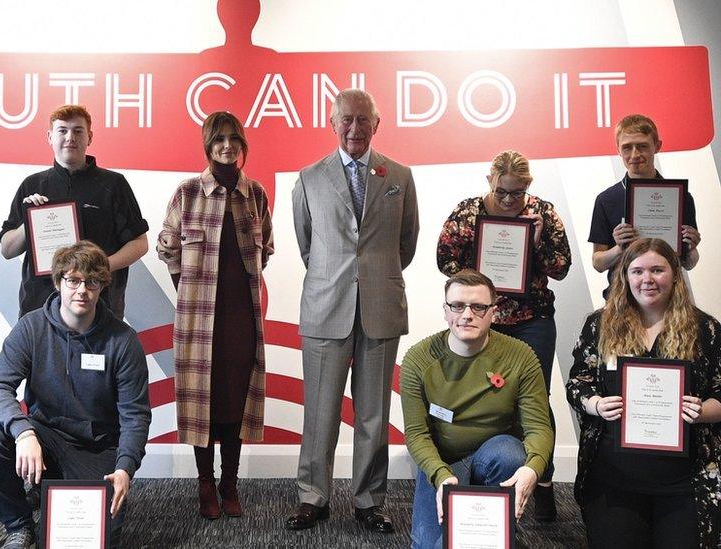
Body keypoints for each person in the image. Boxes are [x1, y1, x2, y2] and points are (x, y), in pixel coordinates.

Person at [287, 88, 419, 533]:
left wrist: (372, 276)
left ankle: (369, 501)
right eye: (346, 119)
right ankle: (313, 496)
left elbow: (407, 242)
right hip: (326, 309)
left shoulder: (399, 175)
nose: (355, 128)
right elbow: (308, 246)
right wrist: (339, 279)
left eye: (364, 120)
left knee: (374, 414)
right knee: (320, 411)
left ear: (377, 124)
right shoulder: (308, 178)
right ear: (332, 122)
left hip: (381, 308)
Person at [0, 241, 151, 549]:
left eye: (91, 281)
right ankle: (18, 525)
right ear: (58, 283)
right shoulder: (31, 328)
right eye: (73, 280)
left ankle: (65, 498)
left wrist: (124, 469)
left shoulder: (123, 341)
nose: (82, 290)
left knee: (100, 539)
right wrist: (23, 432)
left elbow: (135, 416)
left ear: (102, 286)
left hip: (97, 448)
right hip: (43, 438)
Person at [436, 149, 570, 519]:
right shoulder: (468, 212)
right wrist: (484, 264)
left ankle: (541, 481)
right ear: (489, 182)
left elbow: (561, 268)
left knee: (534, 401)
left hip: (532, 320)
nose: (510, 200)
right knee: (478, 398)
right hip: (480, 320)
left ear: (528, 187)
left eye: (518, 192)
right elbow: (444, 259)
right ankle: (483, 473)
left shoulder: (543, 213)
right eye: (502, 191)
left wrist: (537, 241)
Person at [566, 238, 721, 549]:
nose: (646, 279)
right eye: (636, 271)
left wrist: (703, 411)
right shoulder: (600, 324)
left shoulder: (705, 328)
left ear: (675, 274)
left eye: (657, 270)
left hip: (686, 480)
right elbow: (577, 382)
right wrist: (596, 404)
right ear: (624, 276)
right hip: (613, 476)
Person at [156, 111, 273, 519]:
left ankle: (230, 485)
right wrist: (186, 290)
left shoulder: (255, 193)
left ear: (242, 145)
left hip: (241, 317)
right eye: (219, 139)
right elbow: (167, 245)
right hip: (196, 319)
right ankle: (205, 485)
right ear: (208, 145)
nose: (227, 146)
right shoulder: (187, 192)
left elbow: (267, 249)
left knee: (234, 399)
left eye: (233, 139)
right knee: (199, 399)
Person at [401, 269, 554, 548]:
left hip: (495, 456)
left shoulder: (521, 356)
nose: (467, 314)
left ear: (493, 312)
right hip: (444, 460)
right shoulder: (418, 359)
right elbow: (416, 434)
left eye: (478, 306)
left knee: (511, 454)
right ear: (446, 311)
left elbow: (539, 427)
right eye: (457, 306)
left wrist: (533, 469)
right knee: (430, 546)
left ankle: (495, 528)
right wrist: (440, 475)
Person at [0, 105, 149, 318]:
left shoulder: (114, 184)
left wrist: (100, 267)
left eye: (78, 131)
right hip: (39, 308)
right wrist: (30, 219)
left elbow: (140, 243)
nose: (70, 137)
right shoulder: (32, 185)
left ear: (90, 137)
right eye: (62, 131)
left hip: (99, 308)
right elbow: (7, 250)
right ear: (50, 137)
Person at [589, 114, 700, 298]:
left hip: (668, 298)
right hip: (621, 299)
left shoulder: (680, 197)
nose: (635, 155)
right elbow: (598, 263)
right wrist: (619, 248)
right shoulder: (605, 200)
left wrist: (691, 248)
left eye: (642, 146)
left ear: (657, 146)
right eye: (627, 148)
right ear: (618, 150)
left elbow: (688, 263)